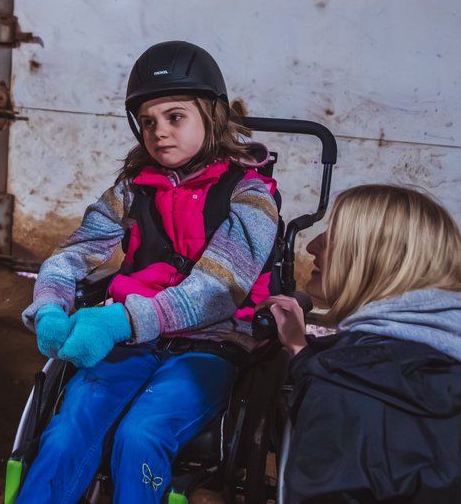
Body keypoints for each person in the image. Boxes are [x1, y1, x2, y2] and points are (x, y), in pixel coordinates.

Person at [17, 40, 282, 504]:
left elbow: (217, 290)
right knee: (63, 436)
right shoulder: (131, 189)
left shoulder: (251, 195)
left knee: (140, 435)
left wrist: (121, 319)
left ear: (211, 115)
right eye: (148, 122)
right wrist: (50, 304)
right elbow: (70, 256)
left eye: (175, 116)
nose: (159, 132)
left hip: (211, 344)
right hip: (131, 340)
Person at [264, 184, 461, 503]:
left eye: (334, 235)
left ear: (376, 259)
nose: (313, 246)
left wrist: (322, 374)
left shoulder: (341, 393)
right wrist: (304, 356)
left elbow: (355, 414)